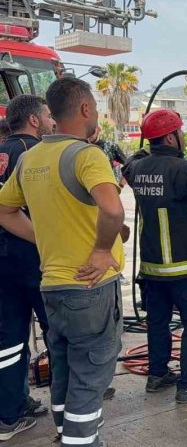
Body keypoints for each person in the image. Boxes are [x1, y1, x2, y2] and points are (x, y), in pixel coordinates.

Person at [0, 78, 125, 446]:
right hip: (90, 288)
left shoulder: (30, 157)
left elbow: (5, 211)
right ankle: (81, 441)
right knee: (90, 378)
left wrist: (46, 237)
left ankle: (65, 434)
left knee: (65, 372)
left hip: (53, 286)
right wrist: (102, 250)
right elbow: (113, 209)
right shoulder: (86, 155)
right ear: (86, 109)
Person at [122, 109, 187, 404]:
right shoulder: (184, 171)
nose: (183, 137)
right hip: (182, 268)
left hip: (152, 270)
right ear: (171, 136)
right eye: (181, 132)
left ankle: (157, 375)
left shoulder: (137, 169)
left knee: (158, 321)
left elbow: (129, 164)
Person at [0, 95, 55, 440]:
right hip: (33, 258)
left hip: (2, 262)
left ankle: (11, 409)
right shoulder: (36, 155)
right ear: (34, 120)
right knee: (59, 333)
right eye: (48, 116)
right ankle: (72, 411)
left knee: (8, 339)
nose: (51, 122)